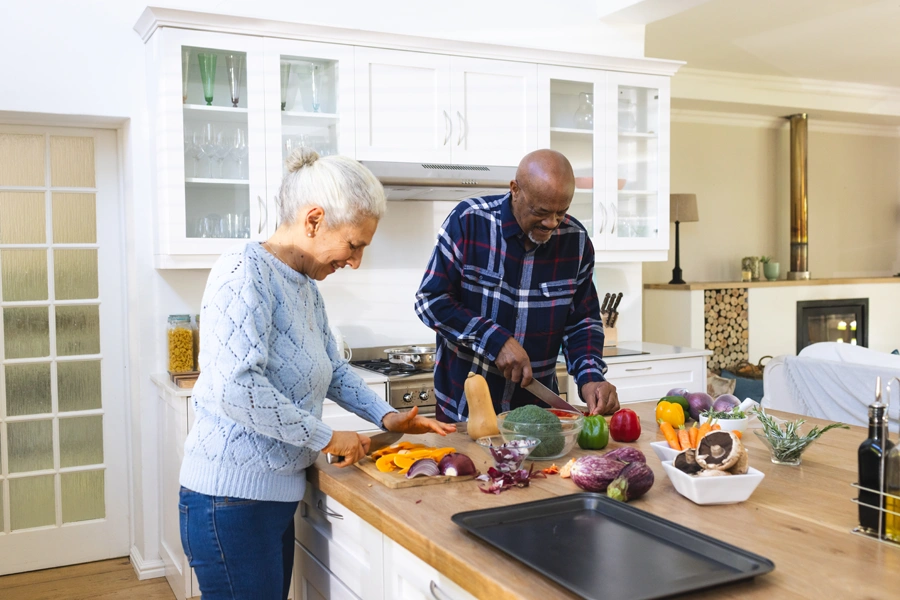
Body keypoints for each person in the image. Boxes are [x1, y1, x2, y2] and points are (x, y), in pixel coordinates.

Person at [179, 148, 454, 600]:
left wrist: (387, 417)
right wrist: (326, 437)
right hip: (228, 502)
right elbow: (237, 388)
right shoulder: (242, 271)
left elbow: (334, 371)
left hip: (268, 498)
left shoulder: (304, 287)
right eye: (354, 244)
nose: (356, 261)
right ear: (313, 220)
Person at [415, 149, 619, 422]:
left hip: (537, 415)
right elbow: (431, 300)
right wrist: (494, 340)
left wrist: (591, 376)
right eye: (542, 211)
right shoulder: (469, 221)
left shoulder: (576, 240)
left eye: (562, 212)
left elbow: (581, 322)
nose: (552, 223)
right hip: (463, 410)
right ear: (515, 189)